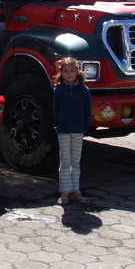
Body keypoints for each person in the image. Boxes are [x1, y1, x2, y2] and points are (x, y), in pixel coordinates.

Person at [53, 57, 92, 206]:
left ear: (77, 71)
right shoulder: (58, 91)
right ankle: (65, 192)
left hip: (78, 130)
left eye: (72, 70)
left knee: (75, 162)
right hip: (63, 130)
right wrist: (59, 125)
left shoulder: (84, 90)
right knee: (64, 161)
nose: (69, 74)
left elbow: (87, 111)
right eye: (66, 71)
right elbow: (56, 110)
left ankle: (76, 191)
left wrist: (84, 128)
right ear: (61, 72)